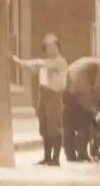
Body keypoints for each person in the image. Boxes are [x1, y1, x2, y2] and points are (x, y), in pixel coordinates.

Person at [13, 33, 68, 166]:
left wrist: (20, 61)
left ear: (58, 47)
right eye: (47, 47)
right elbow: (33, 69)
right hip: (43, 95)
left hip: (54, 95)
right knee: (44, 127)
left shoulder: (60, 61)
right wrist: (20, 65)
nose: (50, 50)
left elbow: (39, 63)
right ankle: (47, 157)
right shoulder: (45, 64)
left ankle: (55, 158)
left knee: (54, 126)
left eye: (53, 46)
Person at [62, 51, 100, 162]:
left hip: (65, 92)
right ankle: (83, 153)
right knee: (84, 125)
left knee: (68, 126)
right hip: (80, 94)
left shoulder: (88, 61)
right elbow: (97, 88)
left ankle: (70, 155)